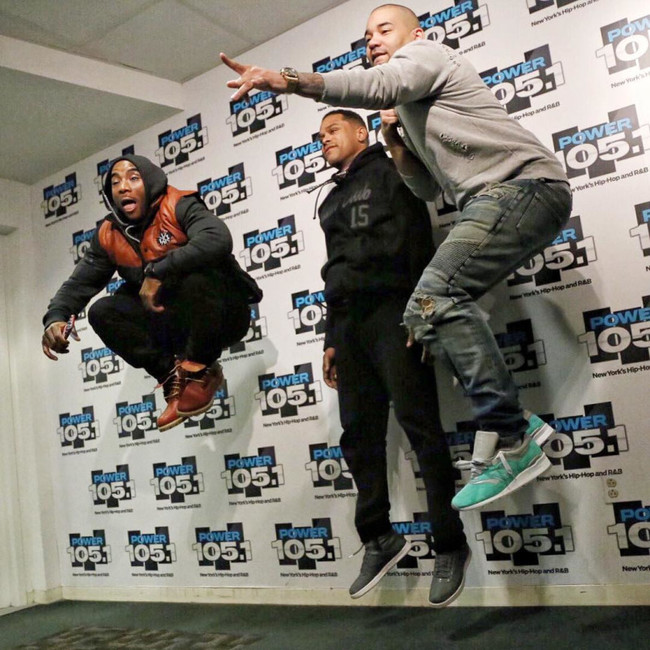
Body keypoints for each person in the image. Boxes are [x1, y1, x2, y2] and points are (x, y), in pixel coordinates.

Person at [220, 2, 569, 511]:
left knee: (435, 295)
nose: (372, 41)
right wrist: (395, 140)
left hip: (522, 186)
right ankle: (512, 429)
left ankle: (512, 437)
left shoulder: (429, 56)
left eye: (383, 29)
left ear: (416, 34)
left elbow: (380, 84)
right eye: (367, 36)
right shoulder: (409, 107)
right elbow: (428, 189)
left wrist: (288, 81)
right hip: (497, 200)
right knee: (425, 312)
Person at [316, 109, 468, 606]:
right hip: (350, 326)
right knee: (358, 436)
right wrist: (331, 338)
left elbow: (417, 243)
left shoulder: (391, 170)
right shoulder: (330, 199)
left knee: (421, 427)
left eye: (332, 130)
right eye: (319, 136)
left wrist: (420, 313)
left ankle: (450, 543)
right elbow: (336, 270)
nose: (324, 140)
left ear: (361, 132)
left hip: (394, 312)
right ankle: (378, 536)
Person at [42, 154, 262, 431]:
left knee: (194, 273)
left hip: (223, 315)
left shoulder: (178, 204)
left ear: (150, 183)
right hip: (172, 323)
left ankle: (200, 368)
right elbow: (79, 284)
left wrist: (157, 272)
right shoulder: (108, 234)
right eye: (115, 182)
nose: (123, 187)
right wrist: (56, 317)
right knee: (102, 311)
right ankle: (173, 378)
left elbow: (217, 238)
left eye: (133, 178)